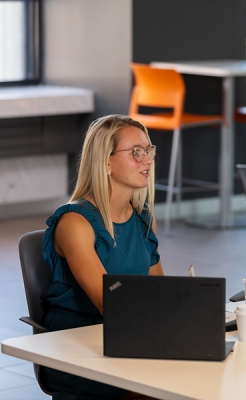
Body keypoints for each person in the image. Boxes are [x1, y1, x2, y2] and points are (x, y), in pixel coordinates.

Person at [41, 115, 164, 399]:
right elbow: (111, 306)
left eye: (149, 150)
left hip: (128, 337)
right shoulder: (75, 223)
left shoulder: (144, 219)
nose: (147, 160)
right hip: (79, 346)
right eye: (136, 152)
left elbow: (160, 294)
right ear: (105, 162)